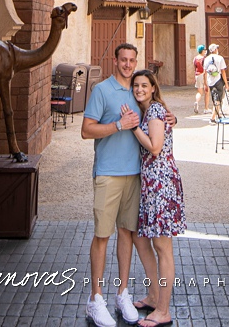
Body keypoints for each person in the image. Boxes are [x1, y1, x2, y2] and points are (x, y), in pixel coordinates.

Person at [81, 43, 176, 327]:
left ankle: (123, 293)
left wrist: (172, 117)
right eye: (123, 60)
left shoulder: (139, 93)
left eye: (132, 60)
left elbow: (157, 118)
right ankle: (95, 299)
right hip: (108, 173)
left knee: (128, 235)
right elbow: (86, 130)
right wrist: (119, 125)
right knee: (102, 236)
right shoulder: (102, 90)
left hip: (137, 176)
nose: (127, 64)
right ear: (115, 61)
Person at [129, 68, 186, 327]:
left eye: (144, 85)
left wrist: (132, 128)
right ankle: (153, 295)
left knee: (163, 247)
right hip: (152, 183)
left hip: (161, 183)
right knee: (141, 238)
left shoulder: (153, 111)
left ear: (153, 88)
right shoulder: (153, 110)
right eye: (136, 86)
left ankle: (163, 310)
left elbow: (155, 146)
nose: (139, 89)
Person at [203, 43, 228, 123]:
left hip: (210, 81)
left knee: (215, 97)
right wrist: (226, 83)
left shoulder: (206, 59)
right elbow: (223, 71)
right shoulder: (220, 58)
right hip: (218, 80)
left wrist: (205, 83)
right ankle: (212, 118)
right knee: (217, 99)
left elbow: (205, 72)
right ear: (215, 50)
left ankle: (218, 113)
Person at [192, 45, 207, 115]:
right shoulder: (204, 58)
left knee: (199, 92)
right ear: (202, 50)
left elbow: (195, 68)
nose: (205, 51)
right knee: (206, 91)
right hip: (203, 75)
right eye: (204, 50)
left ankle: (196, 102)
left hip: (197, 75)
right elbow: (205, 68)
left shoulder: (195, 58)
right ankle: (206, 108)